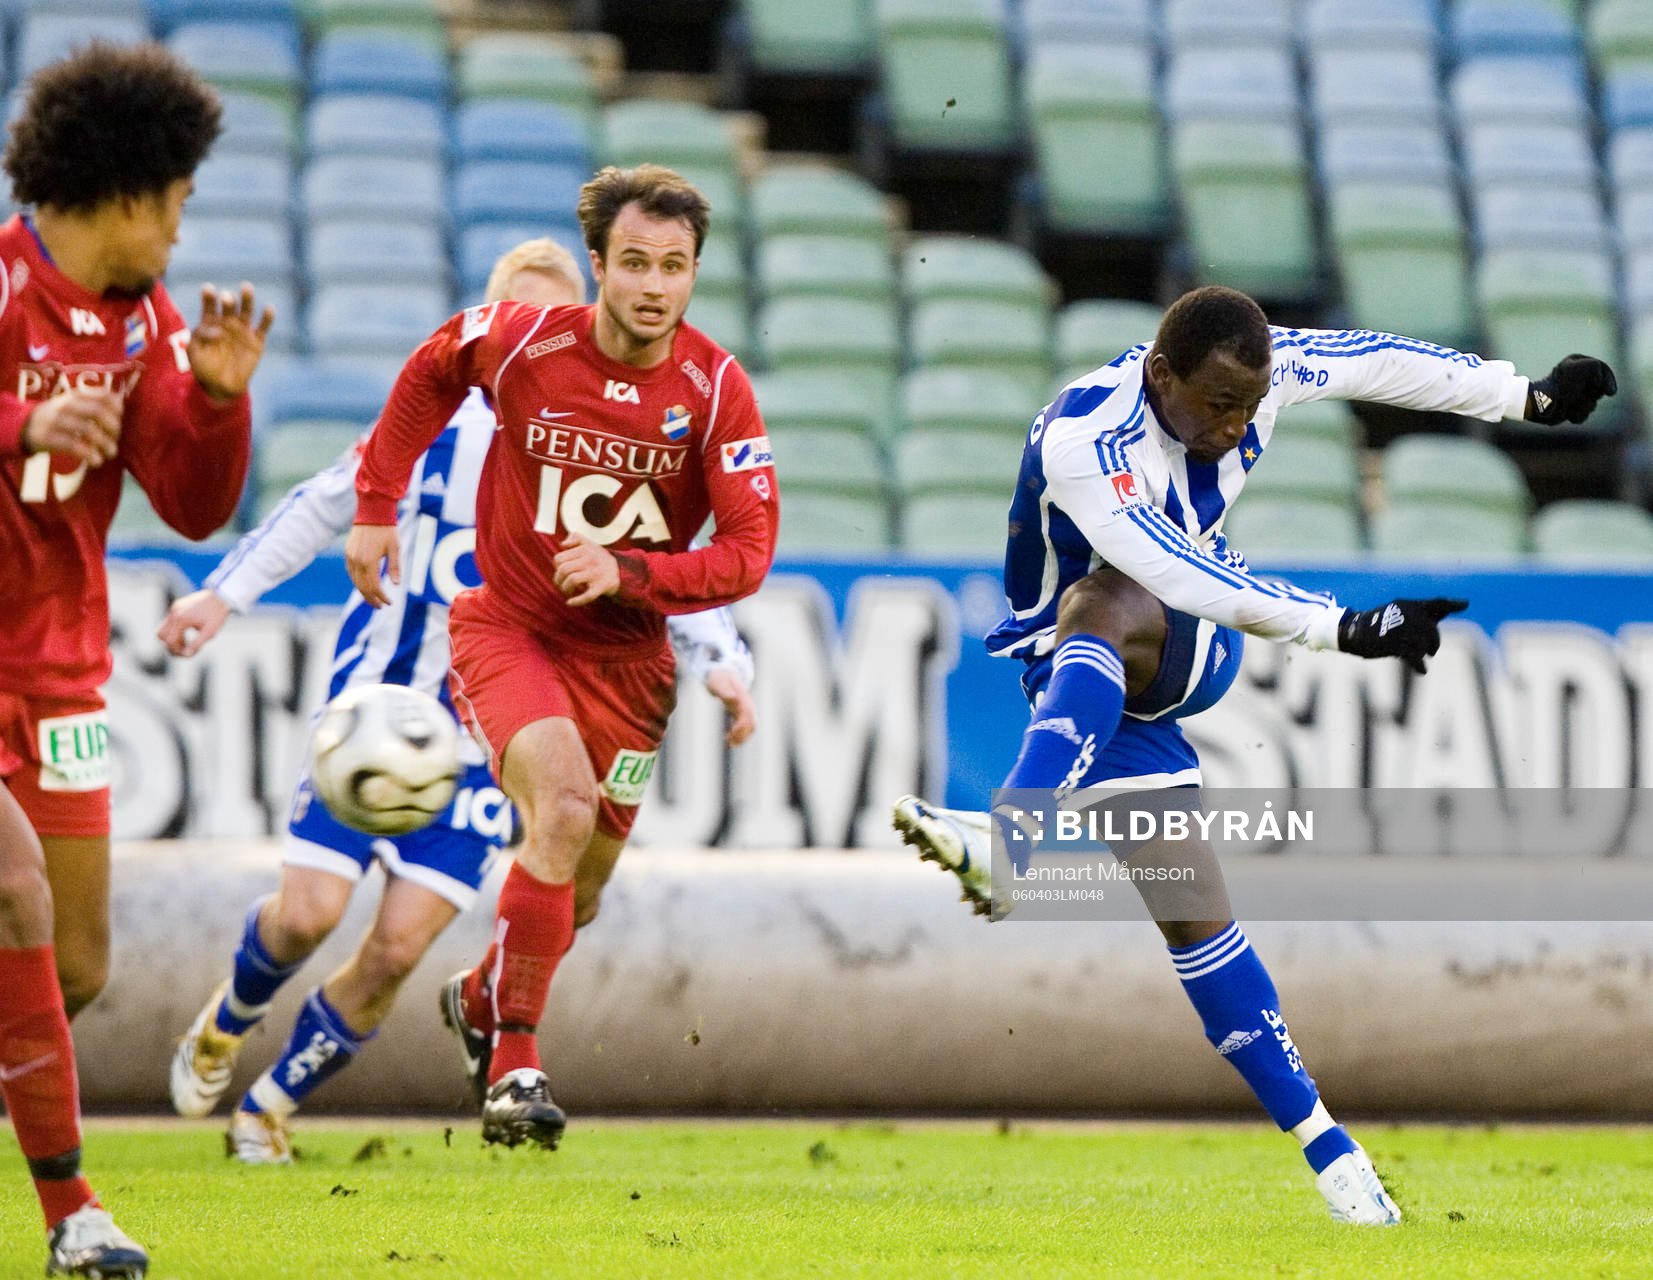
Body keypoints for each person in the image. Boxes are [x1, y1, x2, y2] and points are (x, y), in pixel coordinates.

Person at [894, 286, 1617, 1225]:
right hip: (1101, 670)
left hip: (1163, 641)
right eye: (1218, 407)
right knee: (1195, 924)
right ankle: (1337, 1159)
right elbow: (1176, 568)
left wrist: (1523, 398)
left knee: (1100, 606)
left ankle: (1011, 838)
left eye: (1250, 406)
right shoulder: (1085, 441)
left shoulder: (1252, 377)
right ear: (1160, 376)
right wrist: (1341, 627)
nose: (1237, 426)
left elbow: (1373, 359)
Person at [161, 238, 758, 1161]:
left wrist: (724, 657)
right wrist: (221, 595)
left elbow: (659, 559)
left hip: (492, 741)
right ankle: (229, 1017)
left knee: (400, 949)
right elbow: (327, 504)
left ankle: (266, 1109)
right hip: (380, 711)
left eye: (551, 318)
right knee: (308, 912)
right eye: (514, 317)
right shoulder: (427, 439)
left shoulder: (612, 445)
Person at [344, 165, 778, 1149]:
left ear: (695, 273)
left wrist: (632, 574)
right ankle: (516, 1065)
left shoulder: (717, 390)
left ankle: (484, 995)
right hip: (511, 627)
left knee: (579, 886)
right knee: (564, 809)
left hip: (631, 666)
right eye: (634, 263)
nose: (653, 285)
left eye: (674, 266)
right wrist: (377, 501)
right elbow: (427, 369)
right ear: (597, 265)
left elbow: (749, 551)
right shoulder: (526, 340)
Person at [0, 42, 274, 1277]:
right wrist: (19, 426)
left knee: (76, 963)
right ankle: (74, 1214)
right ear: (126, 192)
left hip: (58, 673)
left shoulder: (154, 323)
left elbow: (193, 504)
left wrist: (214, 401)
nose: (182, 222)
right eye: (177, 196)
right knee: (13, 892)